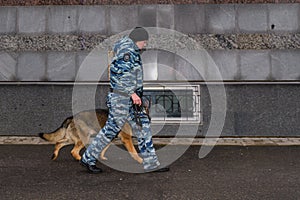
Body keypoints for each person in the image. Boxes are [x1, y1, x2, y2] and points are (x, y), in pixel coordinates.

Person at [80, 27, 169, 173]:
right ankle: (88, 158)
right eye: (144, 42)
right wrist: (132, 93)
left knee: (143, 127)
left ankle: (151, 164)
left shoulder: (131, 50)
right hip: (122, 98)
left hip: (131, 99)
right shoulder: (126, 50)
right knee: (111, 129)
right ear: (138, 40)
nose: (145, 45)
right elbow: (119, 75)